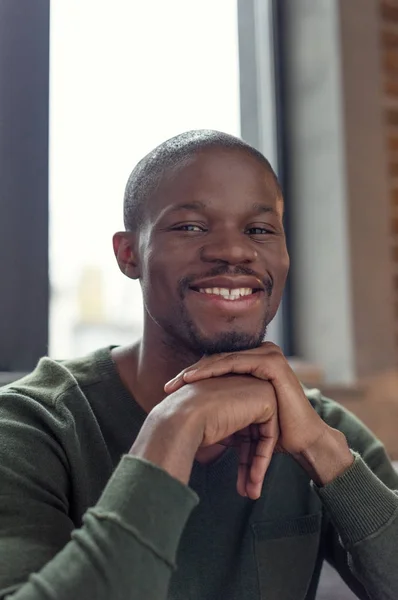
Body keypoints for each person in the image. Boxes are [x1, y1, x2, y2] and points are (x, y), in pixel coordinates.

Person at [0, 130, 397, 600]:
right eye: (191, 226)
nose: (234, 251)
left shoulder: (321, 428)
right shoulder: (32, 428)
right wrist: (173, 428)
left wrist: (321, 451)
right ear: (129, 254)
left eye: (259, 230)